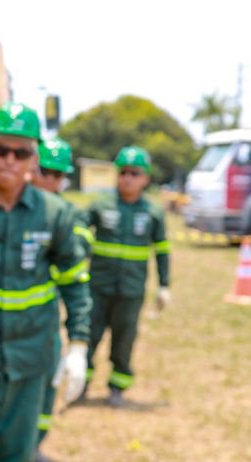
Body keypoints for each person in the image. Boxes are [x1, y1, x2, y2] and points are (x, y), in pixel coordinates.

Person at [0, 103, 92, 462]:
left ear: (33, 158)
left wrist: (80, 344)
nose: (10, 159)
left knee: (17, 455)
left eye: (20, 152)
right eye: (1, 149)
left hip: (30, 360)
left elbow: (75, 280)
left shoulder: (54, 213)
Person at [84, 145, 170, 407]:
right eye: (123, 172)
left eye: (135, 173)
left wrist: (165, 285)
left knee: (124, 340)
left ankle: (117, 388)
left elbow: (162, 250)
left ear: (145, 178)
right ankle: (81, 384)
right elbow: (77, 231)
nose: (128, 178)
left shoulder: (153, 213)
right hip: (98, 287)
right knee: (89, 335)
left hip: (131, 291)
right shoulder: (100, 205)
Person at [29, 137, 93, 461]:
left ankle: (35, 443)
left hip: (47, 311)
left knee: (45, 383)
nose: (50, 180)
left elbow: (78, 261)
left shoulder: (68, 215)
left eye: (57, 174)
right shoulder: (15, 206)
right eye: (44, 171)